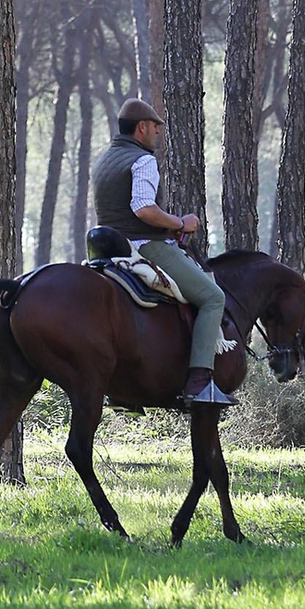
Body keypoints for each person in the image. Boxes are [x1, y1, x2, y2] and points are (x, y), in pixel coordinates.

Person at [89, 96, 234, 406]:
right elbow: (143, 208)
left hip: (109, 250)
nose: (158, 133)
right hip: (145, 247)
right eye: (155, 127)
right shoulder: (143, 160)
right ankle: (200, 382)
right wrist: (180, 222)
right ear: (142, 127)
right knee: (213, 297)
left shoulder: (104, 160)